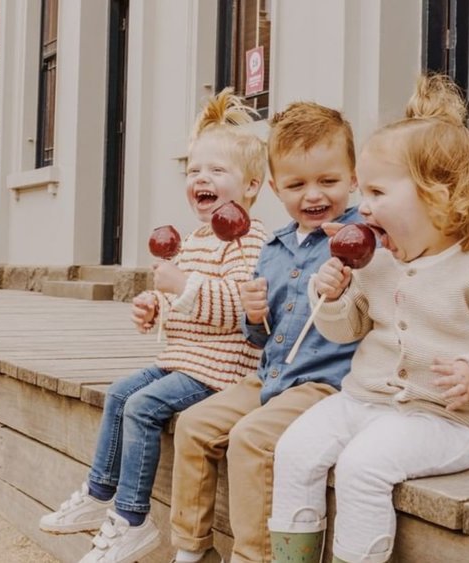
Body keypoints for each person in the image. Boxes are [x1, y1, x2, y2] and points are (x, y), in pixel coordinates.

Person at [267, 74, 469, 563]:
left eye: (377, 192)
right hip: (362, 401)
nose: (364, 208)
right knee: (293, 449)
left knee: (361, 467)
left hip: (443, 419)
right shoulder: (377, 261)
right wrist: (331, 297)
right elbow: (346, 329)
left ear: (438, 195)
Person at [38, 89, 270, 563]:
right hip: (182, 361)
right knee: (120, 393)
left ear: (251, 187)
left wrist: (182, 285)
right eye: (194, 170)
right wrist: (155, 306)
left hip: (220, 371)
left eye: (216, 171)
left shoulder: (249, 240)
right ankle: (99, 492)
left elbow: (236, 309)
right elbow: (184, 304)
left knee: (143, 407)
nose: (201, 178)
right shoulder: (195, 240)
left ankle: (132, 520)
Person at [170, 101, 364, 563]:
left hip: (323, 382)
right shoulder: (273, 248)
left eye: (328, 181)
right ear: (276, 188)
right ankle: (191, 550)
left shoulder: (362, 240)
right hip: (270, 377)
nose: (313, 195)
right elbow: (260, 337)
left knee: (251, 439)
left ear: (353, 178)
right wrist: (255, 316)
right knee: (193, 425)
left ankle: (253, 556)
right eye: (296, 185)